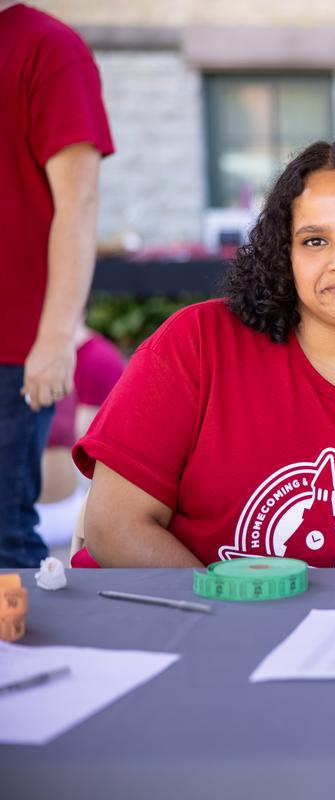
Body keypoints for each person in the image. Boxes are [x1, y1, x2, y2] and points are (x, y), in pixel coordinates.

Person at [73, 140, 335, 568]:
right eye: (314, 241)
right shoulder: (199, 344)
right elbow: (114, 526)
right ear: (284, 257)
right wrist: (231, 623)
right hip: (172, 623)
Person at [0, 2, 113, 567]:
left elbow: (79, 202)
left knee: (3, 540)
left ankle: (18, 658)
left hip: (10, 356)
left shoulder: (48, 47)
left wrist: (55, 337)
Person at [35, 323, 125, 549]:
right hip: (68, 505)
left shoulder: (98, 360)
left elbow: (92, 444)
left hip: (65, 508)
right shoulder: (56, 362)